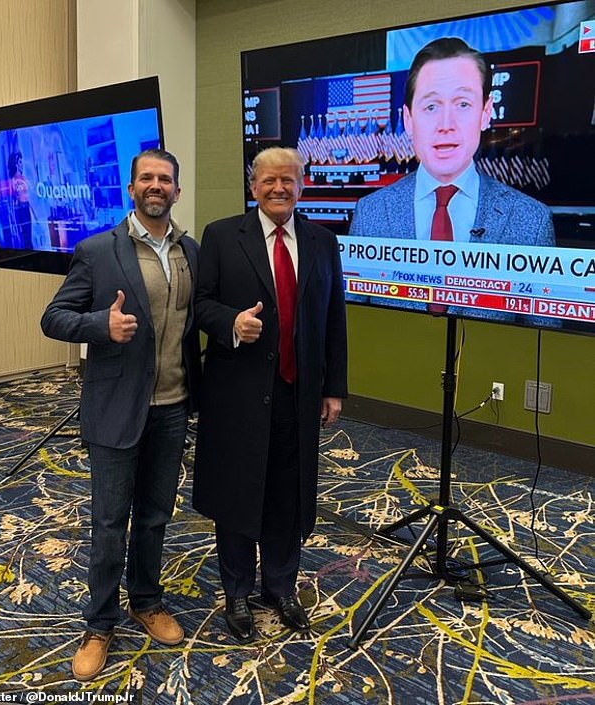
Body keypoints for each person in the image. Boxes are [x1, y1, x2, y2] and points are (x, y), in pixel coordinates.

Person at [41, 148, 201, 681]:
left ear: (176, 191)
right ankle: (100, 623)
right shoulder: (97, 250)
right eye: (147, 178)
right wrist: (98, 327)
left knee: (155, 515)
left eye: (166, 179)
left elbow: (198, 318)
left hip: (172, 406)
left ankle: (146, 600)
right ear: (132, 189)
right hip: (115, 408)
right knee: (110, 524)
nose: (157, 186)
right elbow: (54, 317)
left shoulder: (190, 251)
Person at [192, 146, 348, 642]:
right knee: (239, 490)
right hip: (237, 391)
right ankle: (236, 591)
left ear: (301, 185)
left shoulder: (323, 242)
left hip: (297, 393)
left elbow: (333, 320)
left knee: (288, 492)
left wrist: (333, 388)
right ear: (252, 185)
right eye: (268, 181)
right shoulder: (220, 236)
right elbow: (198, 306)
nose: (278, 189)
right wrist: (231, 323)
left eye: (288, 180)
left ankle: (280, 587)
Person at [349, 37, 557, 325]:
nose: (446, 124)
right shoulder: (370, 213)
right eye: (431, 106)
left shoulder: (531, 221)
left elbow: (542, 347)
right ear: (409, 119)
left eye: (462, 103)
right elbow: (355, 329)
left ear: (486, 113)